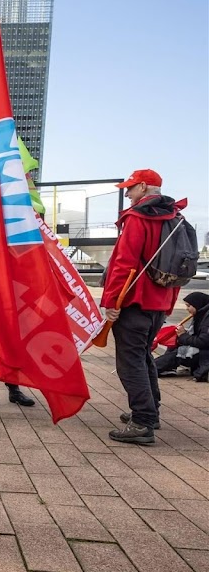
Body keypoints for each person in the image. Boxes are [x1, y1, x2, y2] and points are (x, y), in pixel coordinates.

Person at [103, 169, 184, 445]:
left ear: (142, 187)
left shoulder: (138, 218)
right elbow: (182, 266)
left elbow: (123, 264)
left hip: (134, 302)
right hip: (158, 304)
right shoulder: (176, 219)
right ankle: (152, 411)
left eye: (129, 189)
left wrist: (112, 303)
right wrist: (169, 304)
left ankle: (143, 421)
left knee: (130, 362)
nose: (126, 194)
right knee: (143, 356)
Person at [155, 292, 209, 381]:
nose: (187, 309)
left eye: (188, 306)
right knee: (173, 345)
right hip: (201, 349)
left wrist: (183, 335)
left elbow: (203, 342)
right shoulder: (201, 314)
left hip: (205, 353)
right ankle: (166, 368)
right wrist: (181, 335)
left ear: (197, 304)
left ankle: (150, 369)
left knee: (179, 353)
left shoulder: (207, 318)